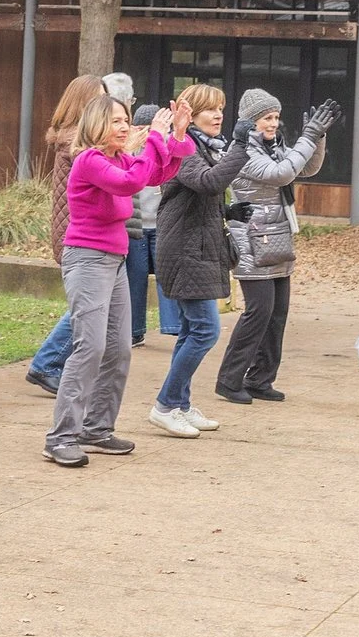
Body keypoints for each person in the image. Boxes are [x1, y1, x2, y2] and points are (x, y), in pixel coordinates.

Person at [45, 94, 193, 467]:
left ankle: (96, 429)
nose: (124, 126)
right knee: (90, 348)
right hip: (87, 259)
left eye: (126, 120)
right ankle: (61, 437)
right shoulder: (89, 160)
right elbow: (130, 183)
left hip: (114, 261)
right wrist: (156, 138)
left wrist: (175, 133)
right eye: (115, 121)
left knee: (118, 348)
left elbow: (157, 175)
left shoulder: (118, 158)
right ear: (95, 124)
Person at [212, 91, 339, 405]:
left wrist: (318, 137)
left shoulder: (273, 146)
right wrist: (307, 136)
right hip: (252, 236)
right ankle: (229, 379)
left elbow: (305, 169)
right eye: (267, 117)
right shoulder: (242, 152)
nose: (274, 123)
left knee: (277, 313)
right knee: (259, 311)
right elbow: (280, 174)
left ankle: (260, 379)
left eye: (275, 117)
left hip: (278, 235)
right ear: (251, 120)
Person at [148, 84, 251, 438]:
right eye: (210, 109)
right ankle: (164, 405)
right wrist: (241, 147)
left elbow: (194, 198)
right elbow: (207, 183)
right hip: (184, 252)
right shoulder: (185, 147)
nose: (219, 115)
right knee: (206, 330)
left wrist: (228, 210)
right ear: (190, 115)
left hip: (197, 248)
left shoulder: (204, 147)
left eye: (222, 107)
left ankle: (181, 404)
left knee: (192, 330)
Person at [23, 74, 108, 394]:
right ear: (81, 104)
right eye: (98, 101)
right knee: (87, 305)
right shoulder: (77, 140)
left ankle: (56, 362)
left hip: (79, 231)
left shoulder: (77, 138)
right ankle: (47, 363)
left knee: (92, 303)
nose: (104, 107)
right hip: (77, 234)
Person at [125, 104, 167, 343]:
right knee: (135, 277)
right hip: (136, 227)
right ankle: (134, 331)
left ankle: (173, 326)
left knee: (166, 276)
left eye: (149, 129)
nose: (144, 134)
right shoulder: (127, 152)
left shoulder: (164, 149)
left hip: (161, 225)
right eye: (139, 128)